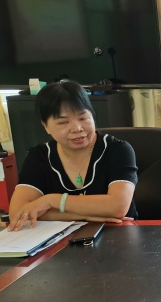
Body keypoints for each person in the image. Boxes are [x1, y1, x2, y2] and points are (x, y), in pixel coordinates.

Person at [8, 80, 138, 231]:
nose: (77, 128)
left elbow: (118, 207)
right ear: (46, 126)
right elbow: (17, 213)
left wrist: (52, 200)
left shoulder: (117, 149)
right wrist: (84, 217)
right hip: (62, 238)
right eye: (63, 122)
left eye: (83, 118)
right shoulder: (40, 156)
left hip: (120, 233)